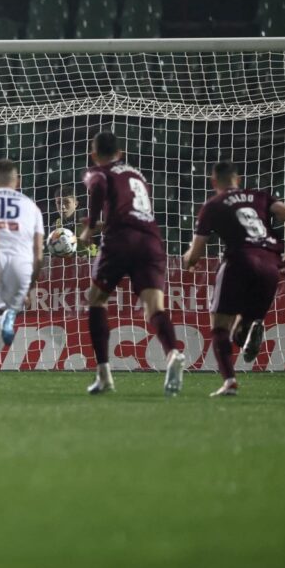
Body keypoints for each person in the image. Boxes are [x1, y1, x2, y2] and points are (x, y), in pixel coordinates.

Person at [79, 130, 185, 396]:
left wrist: (89, 229)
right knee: (154, 307)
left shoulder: (97, 172)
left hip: (120, 241)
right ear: (121, 153)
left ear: (94, 155)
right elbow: (131, 211)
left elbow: (98, 186)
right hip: (150, 240)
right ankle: (172, 353)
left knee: (96, 299)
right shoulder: (137, 175)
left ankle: (103, 374)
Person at [182, 160, 285, 397]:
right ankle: (253, 324)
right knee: (241, 325)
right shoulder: (259, 196)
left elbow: (196, 253)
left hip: (239, 260)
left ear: (214, 182)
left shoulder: (213, 204)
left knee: (219, 325)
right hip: (270, 264)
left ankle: (230, 381)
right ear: (238, 180)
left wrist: (189, 261)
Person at [0, 159, 45, 367]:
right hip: (21, 265)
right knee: (6, 318)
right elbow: (38, 251)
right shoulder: (32, 207)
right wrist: (31, 284)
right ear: (18, 181)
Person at [54, 184, 97, 257]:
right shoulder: (56, 225)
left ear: (76, 204)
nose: (62, 206)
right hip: (69, 264)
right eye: (59, 203)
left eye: (67, 202)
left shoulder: (86, 217)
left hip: (93, 261)